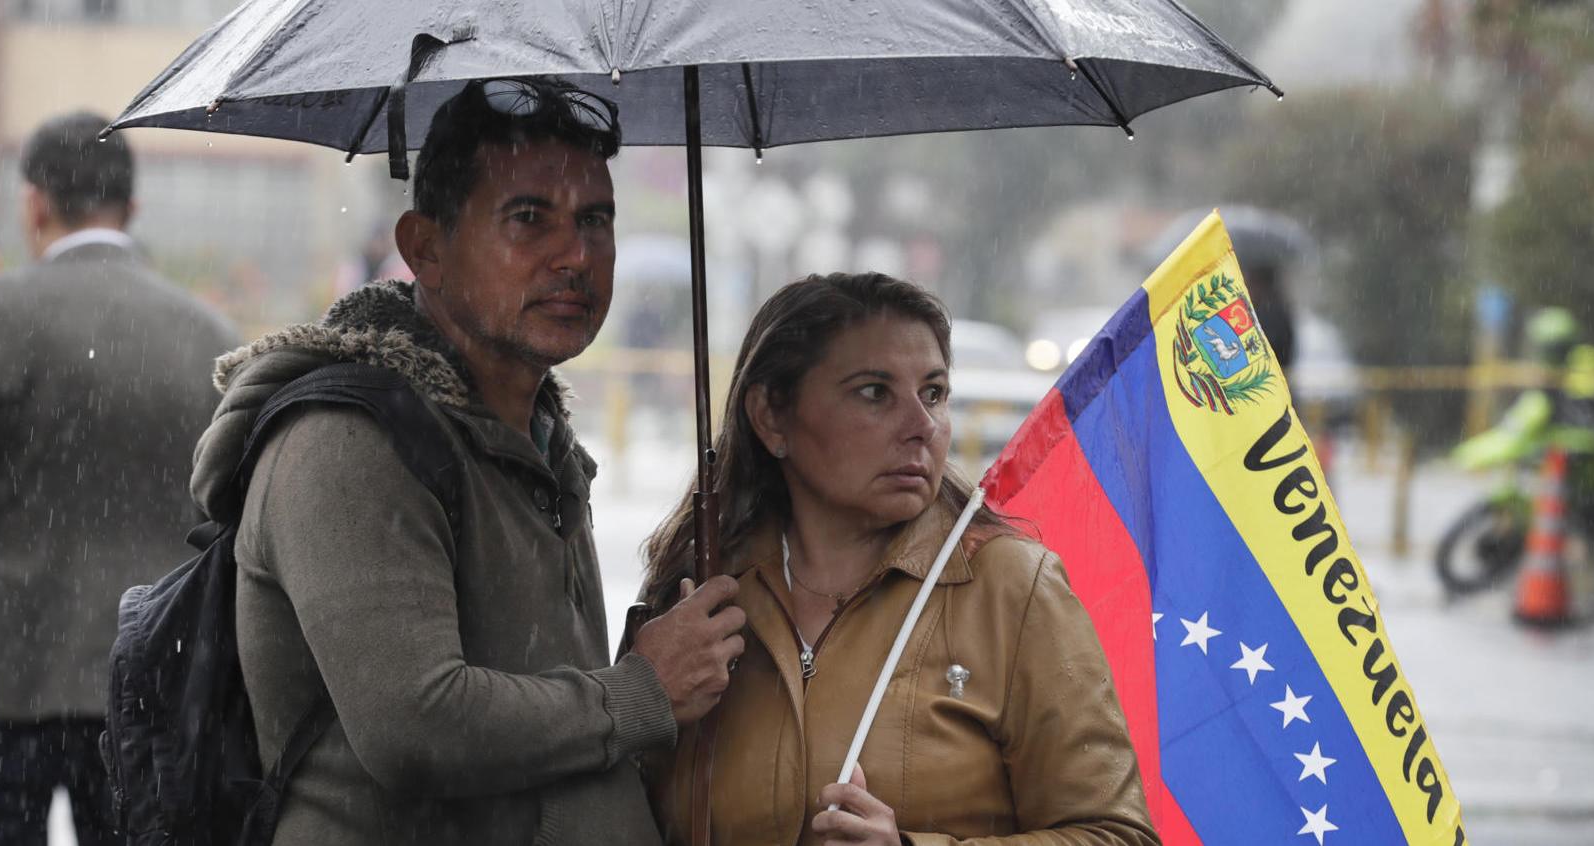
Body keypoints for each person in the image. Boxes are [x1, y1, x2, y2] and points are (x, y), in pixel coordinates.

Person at [190, 77, 743, 844]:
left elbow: (548, 708)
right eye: (529, 219)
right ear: (426, 248)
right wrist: (641, 690)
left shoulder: (537, 436)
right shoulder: (351, 442)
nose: (575, 256)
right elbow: (416, 726)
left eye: (596, 220)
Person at [640, 273, 1159, 845]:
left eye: (933, 393)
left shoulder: (1013, 588)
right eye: (874, 392)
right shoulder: (698, 594)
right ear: (770, 417)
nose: (922, 427)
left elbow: (1119, 836)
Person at [0, 111, 239, 844]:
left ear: (34, 202)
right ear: (132, 206)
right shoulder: (210, 339)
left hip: (4, 672)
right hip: (156, 677)